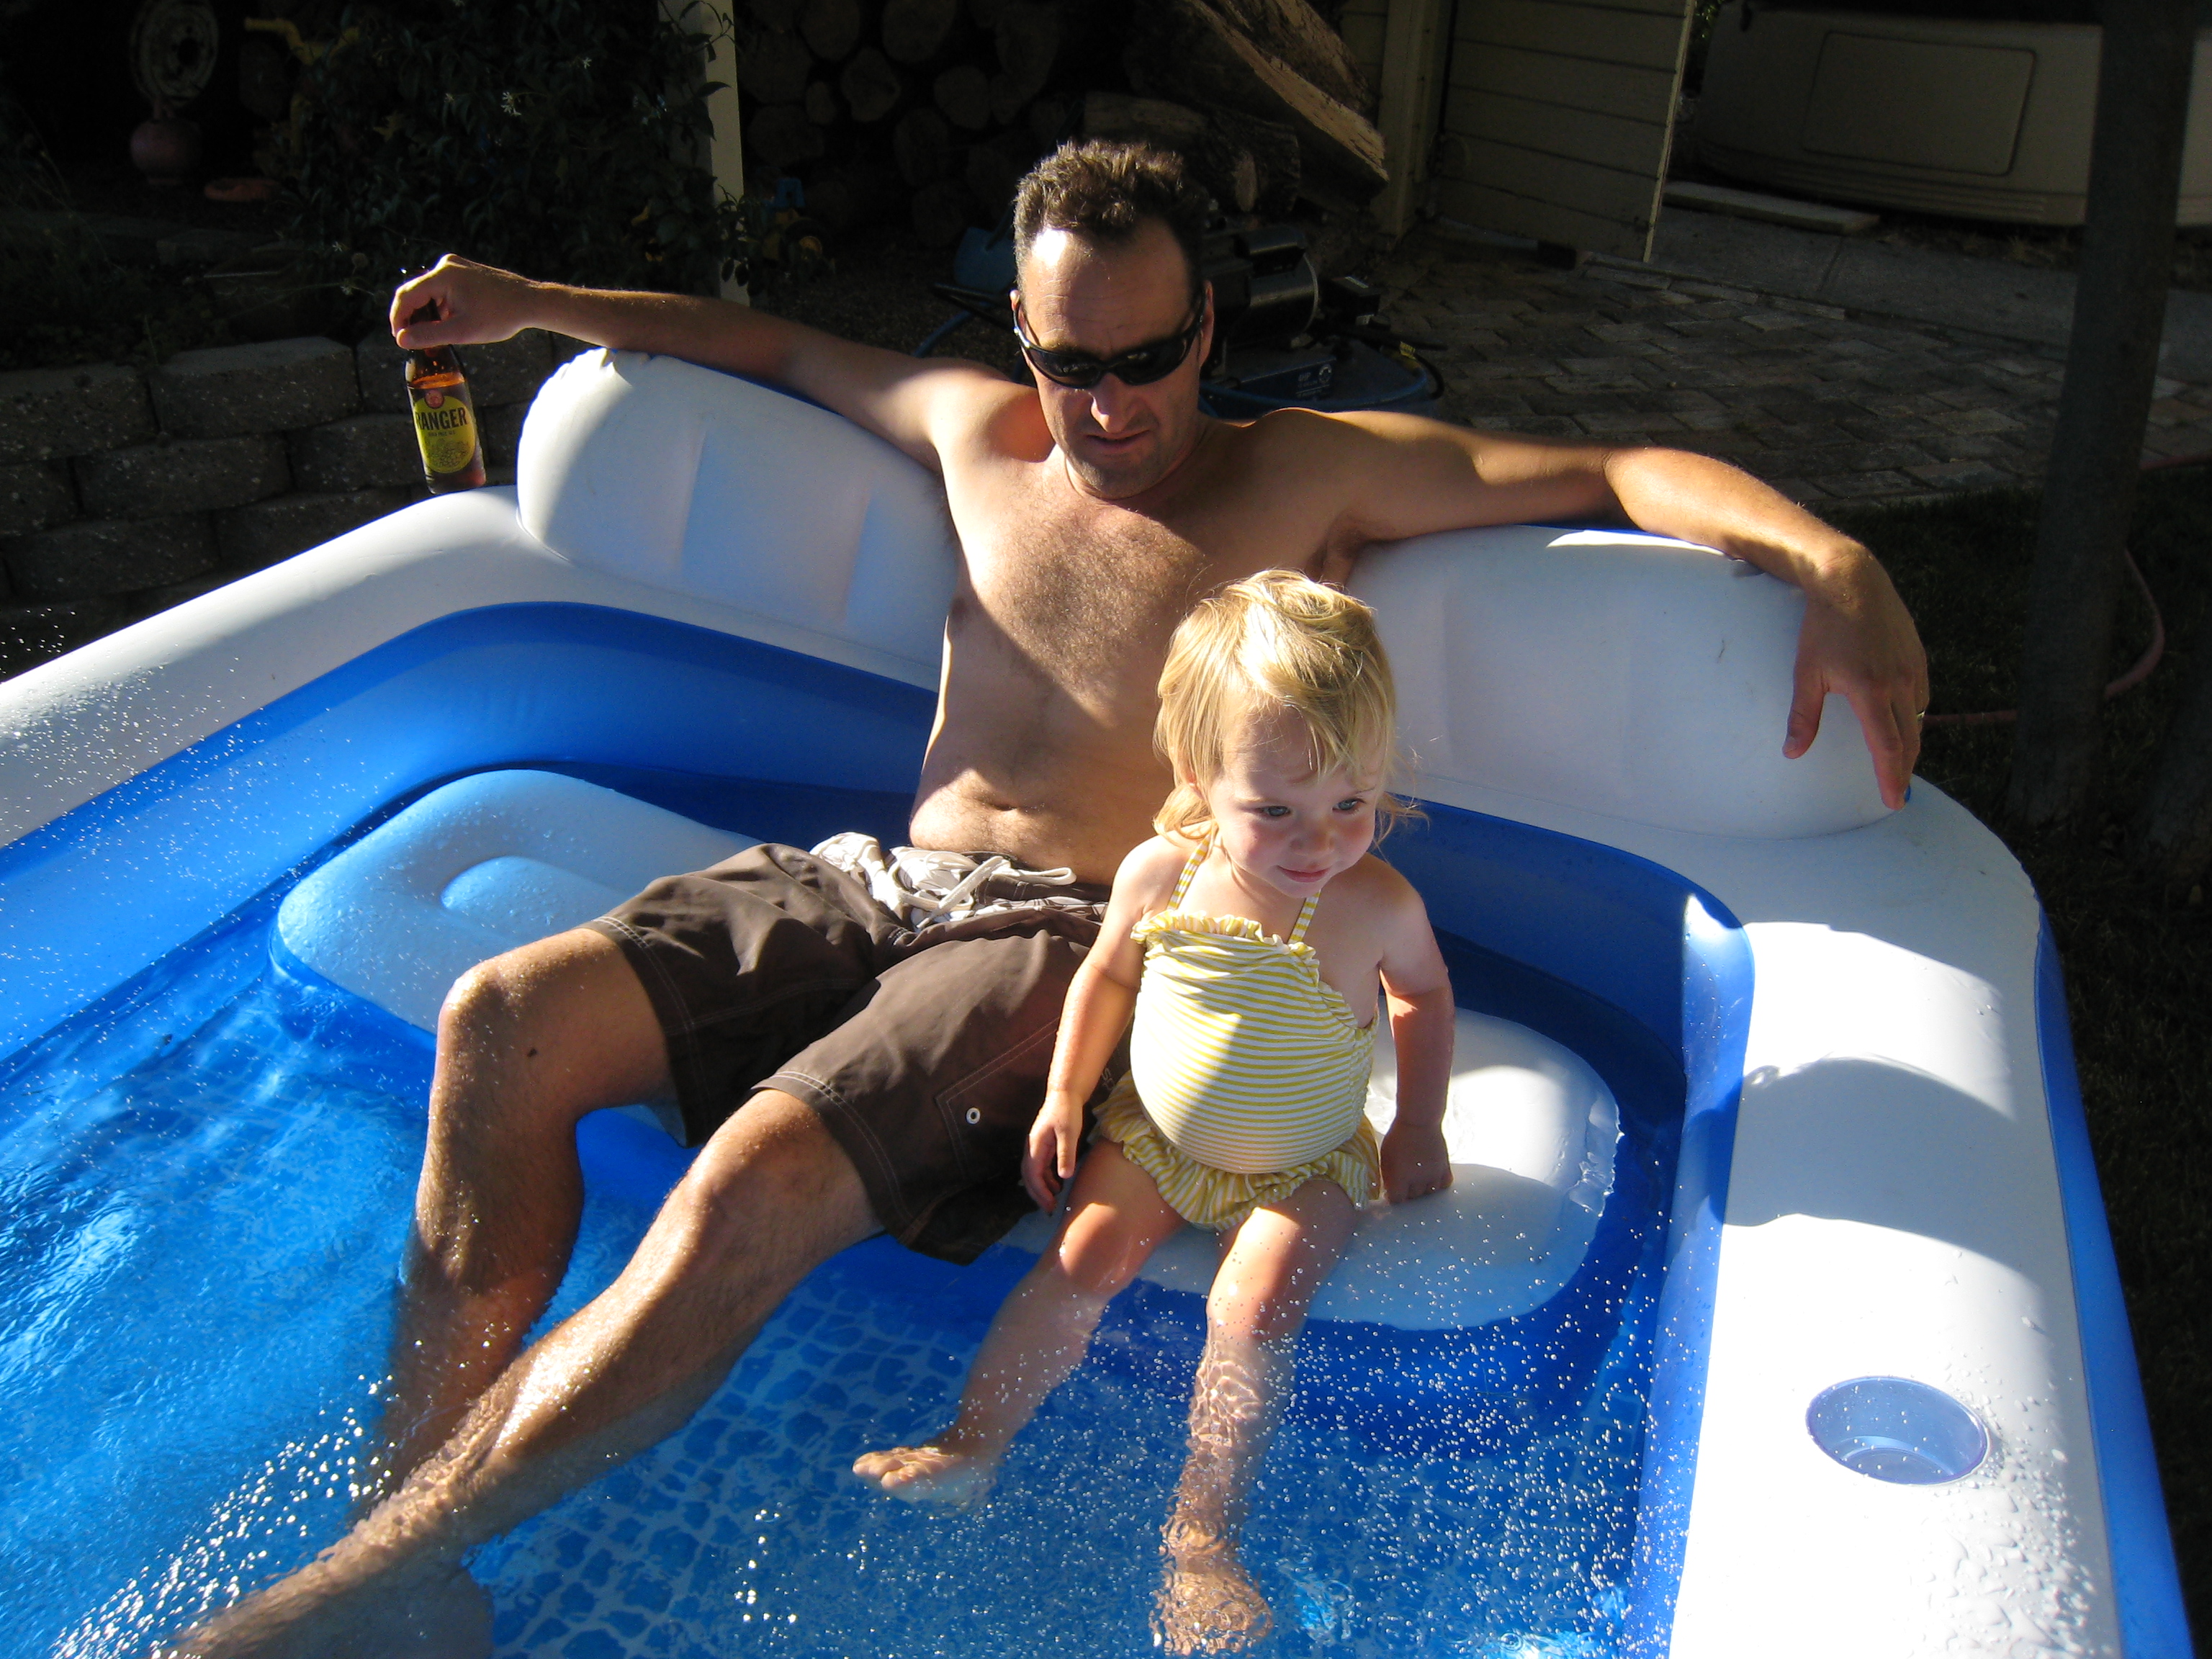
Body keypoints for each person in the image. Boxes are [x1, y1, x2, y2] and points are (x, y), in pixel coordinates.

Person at [165, 140, 1926, 1658]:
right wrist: (527, 302)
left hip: (1071, 931)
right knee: (501, 1021)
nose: (1111, 406)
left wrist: (1832, 560)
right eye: (1073, 360)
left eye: (1148, 358)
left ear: (1207, 327)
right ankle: (404, 1559)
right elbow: (765, 341)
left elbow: (1615, 468)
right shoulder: (977, 433)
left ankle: (331, 1602)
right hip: (868, 878)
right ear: (1021, 331)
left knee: (742, 1192)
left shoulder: (1305, 471)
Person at [853, 572, 1452, 1654]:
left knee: (1252, 1310)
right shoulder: (1161, 872)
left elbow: (1423, 997)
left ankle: (1200, 1539)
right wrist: (1064, 1092)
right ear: (1198, 779)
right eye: (1275, 810)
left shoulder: (1375, 905)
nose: (1319, 842)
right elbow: (1109, 978)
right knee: (1075, 1264)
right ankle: (974, 1444)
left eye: (1351, 804)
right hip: (1157, 1140)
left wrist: (1416, 1124)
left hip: (1305, 1163)